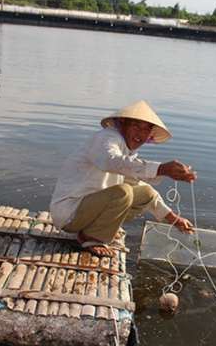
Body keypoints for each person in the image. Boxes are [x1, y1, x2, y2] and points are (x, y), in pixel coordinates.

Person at [50, 100, 197, 257]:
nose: (140, 134)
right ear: (122, 123)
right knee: (124, 192)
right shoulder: (107, 138)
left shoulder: (126, 150)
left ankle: (96, 230)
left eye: (147, 129)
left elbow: (134, 179)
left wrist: (173, 218)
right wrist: (161, 169)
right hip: (69, 213)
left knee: (146, 193)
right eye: (136, 126)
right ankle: (89, 236)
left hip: (88, 210)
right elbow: (111, 161)